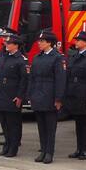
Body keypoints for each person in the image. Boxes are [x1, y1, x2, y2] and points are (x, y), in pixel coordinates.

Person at [28, 31, 66, 163]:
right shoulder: (38, 57)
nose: (39, 43)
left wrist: (58, 98)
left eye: (42, 41)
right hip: (38, 95)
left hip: (50, 96)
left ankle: (49, 152)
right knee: (41, 127)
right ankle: (43, 150)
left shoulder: (57, 58)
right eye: (39, 41)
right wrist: (30, 94)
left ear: (49, 43)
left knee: (50, 127)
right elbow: (32, 78)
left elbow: (60, 79)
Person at [0, 32, 28, 158]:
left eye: (9, 43)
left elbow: (24, 80)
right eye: (6, 43)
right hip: (1, 95)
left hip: (12, 96)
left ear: (16, 45)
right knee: (4, 124)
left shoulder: (21, 60)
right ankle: (6, 145)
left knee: (13, 124)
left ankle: (13, 147)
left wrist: (20, 96)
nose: (6, 45)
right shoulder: (2, 58)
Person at [64, 31, 86, 160]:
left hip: (85, 94)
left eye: (79, 40)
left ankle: (85, 150)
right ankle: (79, 148)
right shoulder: (74, 56)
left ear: (85, 43)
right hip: (75, 94)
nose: (76, 42)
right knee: (78, 123)